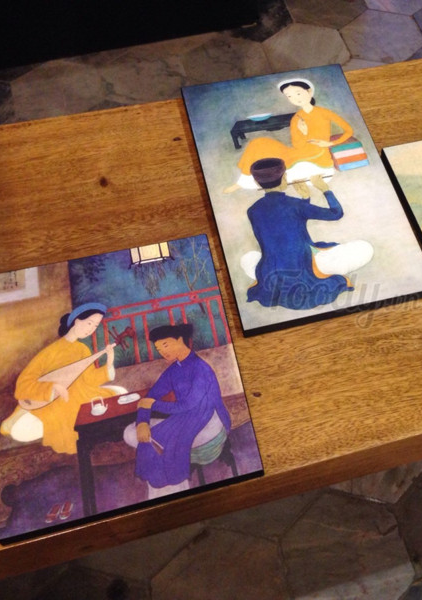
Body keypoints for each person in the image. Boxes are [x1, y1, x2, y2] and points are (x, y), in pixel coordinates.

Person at [242, 157, 372, 310]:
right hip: (303, 266)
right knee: (365, 247)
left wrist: (305, 198)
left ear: (257, 183)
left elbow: (286, 225)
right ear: (285, 178)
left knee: (248, 258)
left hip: (270, 269)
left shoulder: (252, 210)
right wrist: (325, 189)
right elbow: (336, 213)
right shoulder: (295, 205)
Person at [128, 323, 231, 499]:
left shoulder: (200, 368)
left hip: (209, 417)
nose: (163, 352)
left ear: (180, 340)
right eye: (159, 349)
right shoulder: (174, 369)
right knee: (149, 440)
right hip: (186, 415)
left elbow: (186, 404)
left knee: (164, 442)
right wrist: (142, 422)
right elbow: (151, 396)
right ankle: (161, 493)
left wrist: (152, 404)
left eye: (165, 345)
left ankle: (177, 492)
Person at [3, 302, 122, 454]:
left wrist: (109, 361)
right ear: (77, 320)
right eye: (89, 323)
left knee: (119, 391)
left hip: (81, 394)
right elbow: (24, 383)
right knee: (20, 432)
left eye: (95, 326)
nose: (90, 329)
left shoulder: (83, 349)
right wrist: (53, 387)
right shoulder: (51, 352)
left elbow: (89, 379)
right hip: (56, 400)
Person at [224, 78, 355, 195]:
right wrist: (303, 133)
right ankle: (243, 181)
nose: (296, 98)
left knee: (285, 168)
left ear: (309, 92)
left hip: (318, 154)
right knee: (258, 142)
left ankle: (251, 182)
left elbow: (349, 131)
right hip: (299, 151)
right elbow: (297, 145)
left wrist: (330, 143)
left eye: (298, 93)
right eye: (290, 96)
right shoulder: (296, 118)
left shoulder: (324, 112)